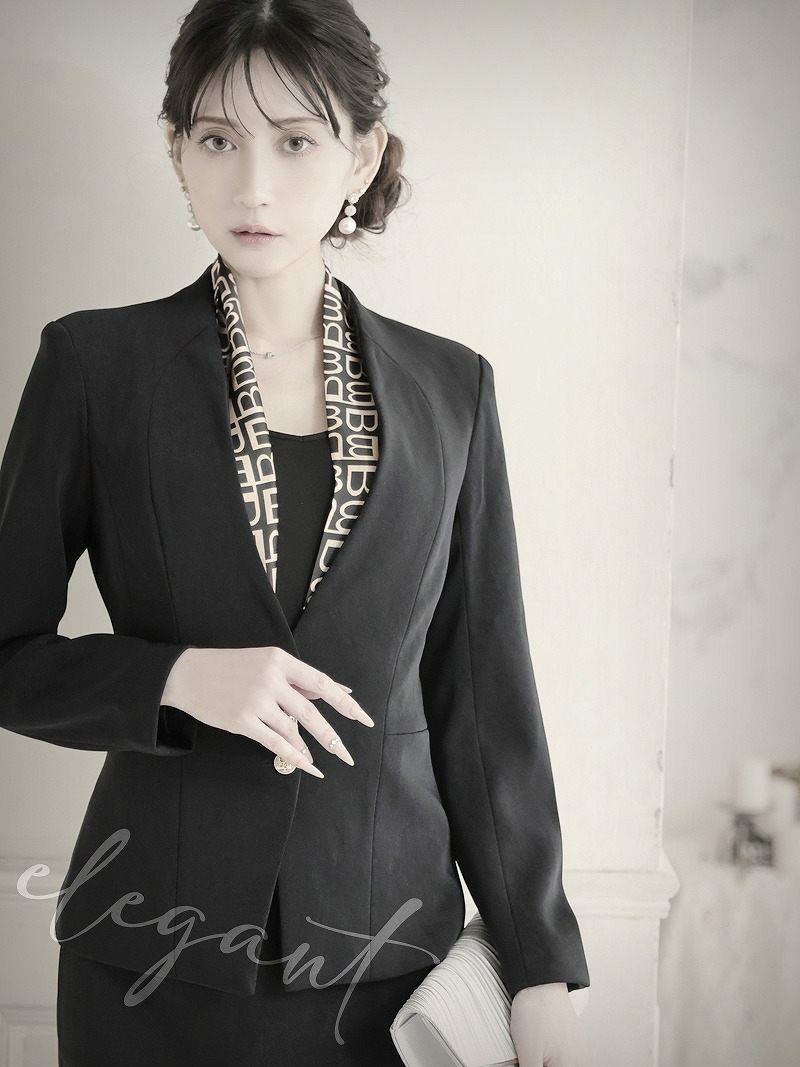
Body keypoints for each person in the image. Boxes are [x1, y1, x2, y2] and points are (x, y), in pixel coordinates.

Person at [0, 1, 590, 1063]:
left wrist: (538, 957)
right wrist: (177, 676)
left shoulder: (450, 389)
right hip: (149, 961)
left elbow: (483, 694)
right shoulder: (94, 367)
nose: (253, 186)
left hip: (382, 964)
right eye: (217, 139)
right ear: (177, 151)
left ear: (360, 155)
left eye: (296, 140)